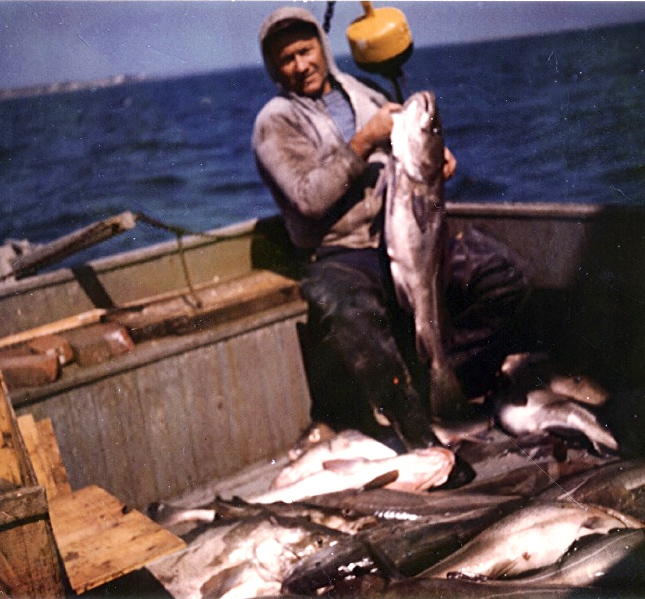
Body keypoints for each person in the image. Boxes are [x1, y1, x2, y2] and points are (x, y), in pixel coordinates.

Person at [252, 7, 527, 452]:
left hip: (405, 233)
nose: (300, 65)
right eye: (286, 59)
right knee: (351, 317)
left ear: (321, 48)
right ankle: (417, 434)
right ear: (273, 68)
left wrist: (436, 155)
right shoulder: (275, 121)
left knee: (503, 277)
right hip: (340, 251)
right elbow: (306, 199)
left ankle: (448, 381)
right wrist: (363, 141)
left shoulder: (367, 93)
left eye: (305, 51)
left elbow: (413, 145)